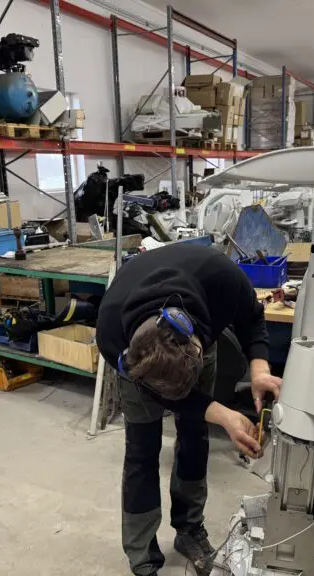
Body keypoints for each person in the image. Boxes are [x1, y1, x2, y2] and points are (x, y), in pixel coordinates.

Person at [97, 243, 282, 576]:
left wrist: (259, 368)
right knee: (141, 450)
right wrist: (222, 414)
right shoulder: (111, 334)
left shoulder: (222, 277)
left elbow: (252, 316)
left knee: (195, 436)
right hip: (139, 371)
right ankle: (142, 555)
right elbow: (166, 395)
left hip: (199, 342)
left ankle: (189, 528)